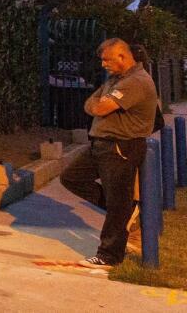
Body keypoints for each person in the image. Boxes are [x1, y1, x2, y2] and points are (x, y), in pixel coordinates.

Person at [60, 38, 158, 269]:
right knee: (71, 178)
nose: (103, 64)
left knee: (117, 202)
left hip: (119, 147)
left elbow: (99, 107)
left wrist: (99, 105)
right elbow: (90, 103)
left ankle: (109, 256)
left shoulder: (136, 81)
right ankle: (129, 210)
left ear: (122, 56)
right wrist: (98, 104)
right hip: (101, 145)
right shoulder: (117, 79)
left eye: (106, 59)